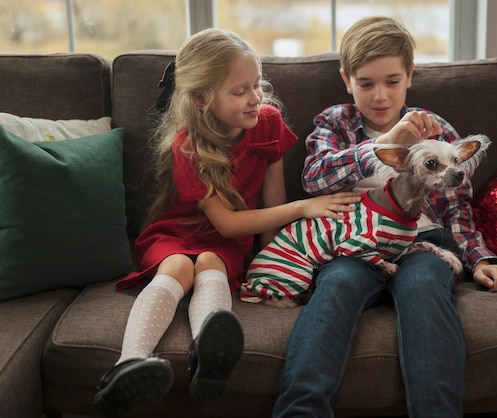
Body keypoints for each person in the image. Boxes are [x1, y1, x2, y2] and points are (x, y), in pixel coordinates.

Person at [91, 28, 360, 417]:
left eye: (257, 85)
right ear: (202, 98)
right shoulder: (188, 145)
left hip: (226, 247)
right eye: (240, 91)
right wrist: (305, 208)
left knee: (211, 263)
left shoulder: (267, 123)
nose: (256, 98)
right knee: (181, 264)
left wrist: (269, 268)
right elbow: (229, 223)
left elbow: (273, 200)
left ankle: (209, 358)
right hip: (177, 233)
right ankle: (128, 364)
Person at [272, 16, 497, 418]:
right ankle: (301, 411)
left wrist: (481, 258)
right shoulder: (335, 122)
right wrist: (382, 144)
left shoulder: (435, 129)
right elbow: (314, 179)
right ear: (347, 80)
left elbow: (457, 207)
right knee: (334, 288)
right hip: (355, 245)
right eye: (366, 84)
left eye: (392, 80)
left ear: (410, 76)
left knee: (425, 289)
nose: (380, 96)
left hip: (423, 245)